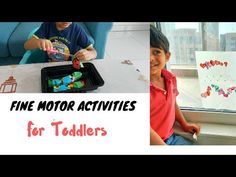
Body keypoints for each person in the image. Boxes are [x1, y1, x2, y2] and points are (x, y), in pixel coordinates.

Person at [150, 25, 200, 145]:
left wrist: (184, 124)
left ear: (167, 56)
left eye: (156, 52)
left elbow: (172, 103)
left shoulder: (170, 79)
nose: (150, 58)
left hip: (170, 137)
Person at [24, 22, 97, 62]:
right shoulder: (47, 26)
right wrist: (38, 42)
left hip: (71, 66)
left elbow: (93, 52)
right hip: (49, 65)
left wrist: (90, 54)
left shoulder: (77, 30)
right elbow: (26, 46)